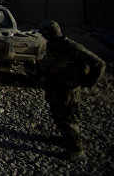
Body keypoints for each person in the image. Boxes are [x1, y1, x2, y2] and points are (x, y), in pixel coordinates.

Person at [39, 20, 105, 160]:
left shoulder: (71, 46)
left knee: (69, 118)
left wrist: (88, 81)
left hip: (68, 88)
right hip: (55, 86)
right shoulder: (53, 44)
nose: (44, 37)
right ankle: (65, 138)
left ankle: (76, 150)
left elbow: (99, 63)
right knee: (58, 115)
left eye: (45, 34)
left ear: (52, 33)